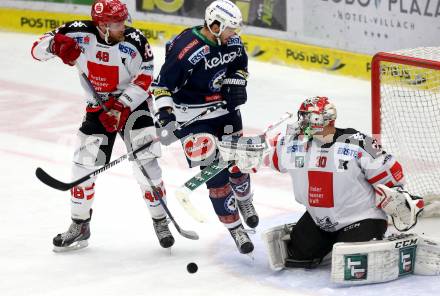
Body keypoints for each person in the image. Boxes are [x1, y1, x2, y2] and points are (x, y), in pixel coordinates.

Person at [31, 0, 175, 251]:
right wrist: (55, 45)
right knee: (83, 167)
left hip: (133, 108)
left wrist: (120, 107)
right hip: (98, 110)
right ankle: (80, 225)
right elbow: (35, 50)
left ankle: (160, 220)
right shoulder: (77, 32)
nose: (125, 27)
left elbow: (145, 79)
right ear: (103, 26)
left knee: (147, 166)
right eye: (118, 23)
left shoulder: (136, 42)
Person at [222, 96, 425, 266]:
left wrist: (398, 197)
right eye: (302, 117)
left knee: (352, 260)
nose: (302, 123)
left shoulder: (357, 142)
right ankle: (330, 243)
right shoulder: (295, 144)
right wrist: (244, 153)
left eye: (308, 118)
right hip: (320, 220)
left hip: (361, 217)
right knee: (297, 255)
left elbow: (390, 171)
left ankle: (369, 240)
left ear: (325, 120)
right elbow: (267, 153)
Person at [151, 0, 257, 254]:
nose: (235, 34)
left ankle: (245, 200)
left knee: (237, 163)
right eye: (230, 28)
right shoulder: (185, 50)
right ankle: (236, 229)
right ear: (215, 24)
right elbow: (162, 86)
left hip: (226, 112)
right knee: (216, 177)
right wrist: (165, 114)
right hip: (192, 118)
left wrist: (236, 84)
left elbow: (240, 67)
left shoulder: (232, 41)